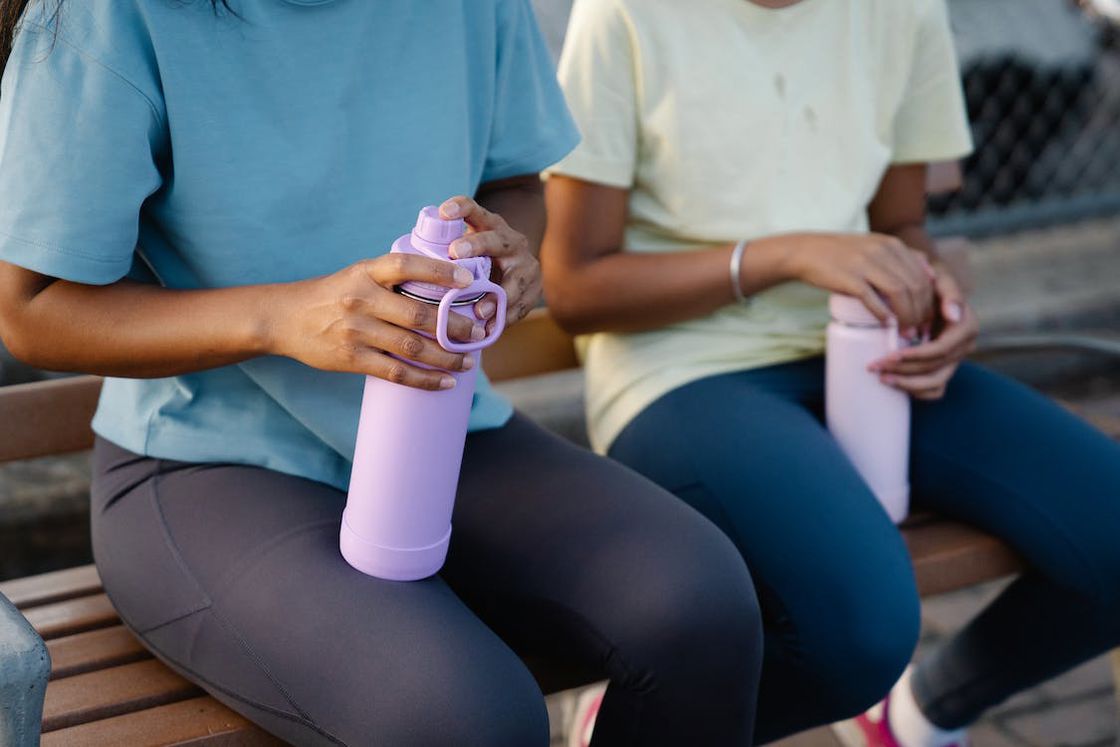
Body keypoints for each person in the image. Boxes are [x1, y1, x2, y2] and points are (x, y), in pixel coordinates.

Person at [0, 1, 766, 744]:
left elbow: (516, 184)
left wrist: (507, 254)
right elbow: (30, 307)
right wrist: (284, 316)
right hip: (204, 463)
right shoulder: (109, 16)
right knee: (468, 720)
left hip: (442, 425)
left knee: (700, 607)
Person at [541, 0, 1120, 745]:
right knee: (861, 628)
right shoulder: (624, 14)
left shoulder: (904, 10)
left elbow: (900, 226)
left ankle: (917, 714)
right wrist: (781, 253)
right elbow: (576, 288)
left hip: (867, 347)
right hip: (683, 370)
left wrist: (935, 292)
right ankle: (635, 720)